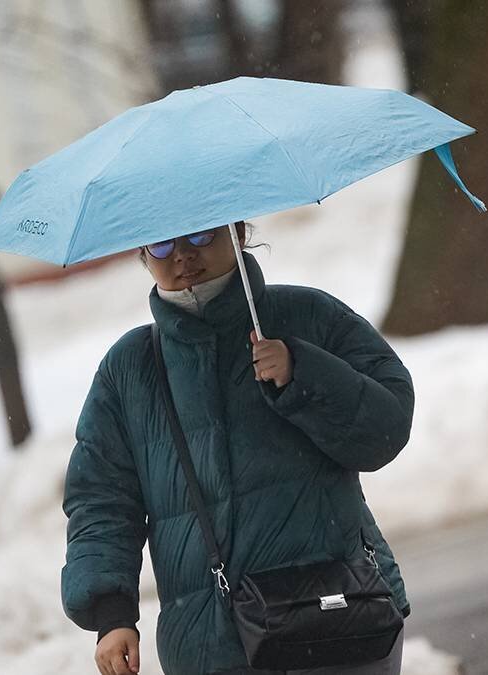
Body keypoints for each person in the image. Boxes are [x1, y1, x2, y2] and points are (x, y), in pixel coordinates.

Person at [61, 222, 412, 675]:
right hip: (212, 645)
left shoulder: (309, 315)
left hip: (340, 618)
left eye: (201, 234)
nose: (183, 255)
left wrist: (301, 372)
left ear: (238, 230)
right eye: (162, 242)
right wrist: (110, 614)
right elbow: (101, 499)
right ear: (142, 253)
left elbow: (386, 429)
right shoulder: (130, 367)